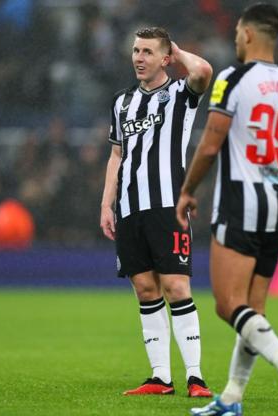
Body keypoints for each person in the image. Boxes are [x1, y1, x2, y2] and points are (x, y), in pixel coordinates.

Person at [175, 4, 278, 416]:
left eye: (238, 33)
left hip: (241, 200)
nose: (235, 39)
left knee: (228, 305)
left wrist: (188, 190)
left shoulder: (232, 79)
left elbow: (210, 143)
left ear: (249, 35)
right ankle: (231, 399)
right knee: (253, 312)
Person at [99, 27, 213, 398]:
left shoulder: (180, 93)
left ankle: (196, 377)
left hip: (168, 205)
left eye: (147, 52)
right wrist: (107, 203)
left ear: (165, 58)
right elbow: (117, 155)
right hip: (130, 208)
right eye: (135, 50)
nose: (138, 58)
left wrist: (179, 52)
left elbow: (204, 72)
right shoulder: (122, 103)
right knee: (145, 289)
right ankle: (160, 377)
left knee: (176, 286)